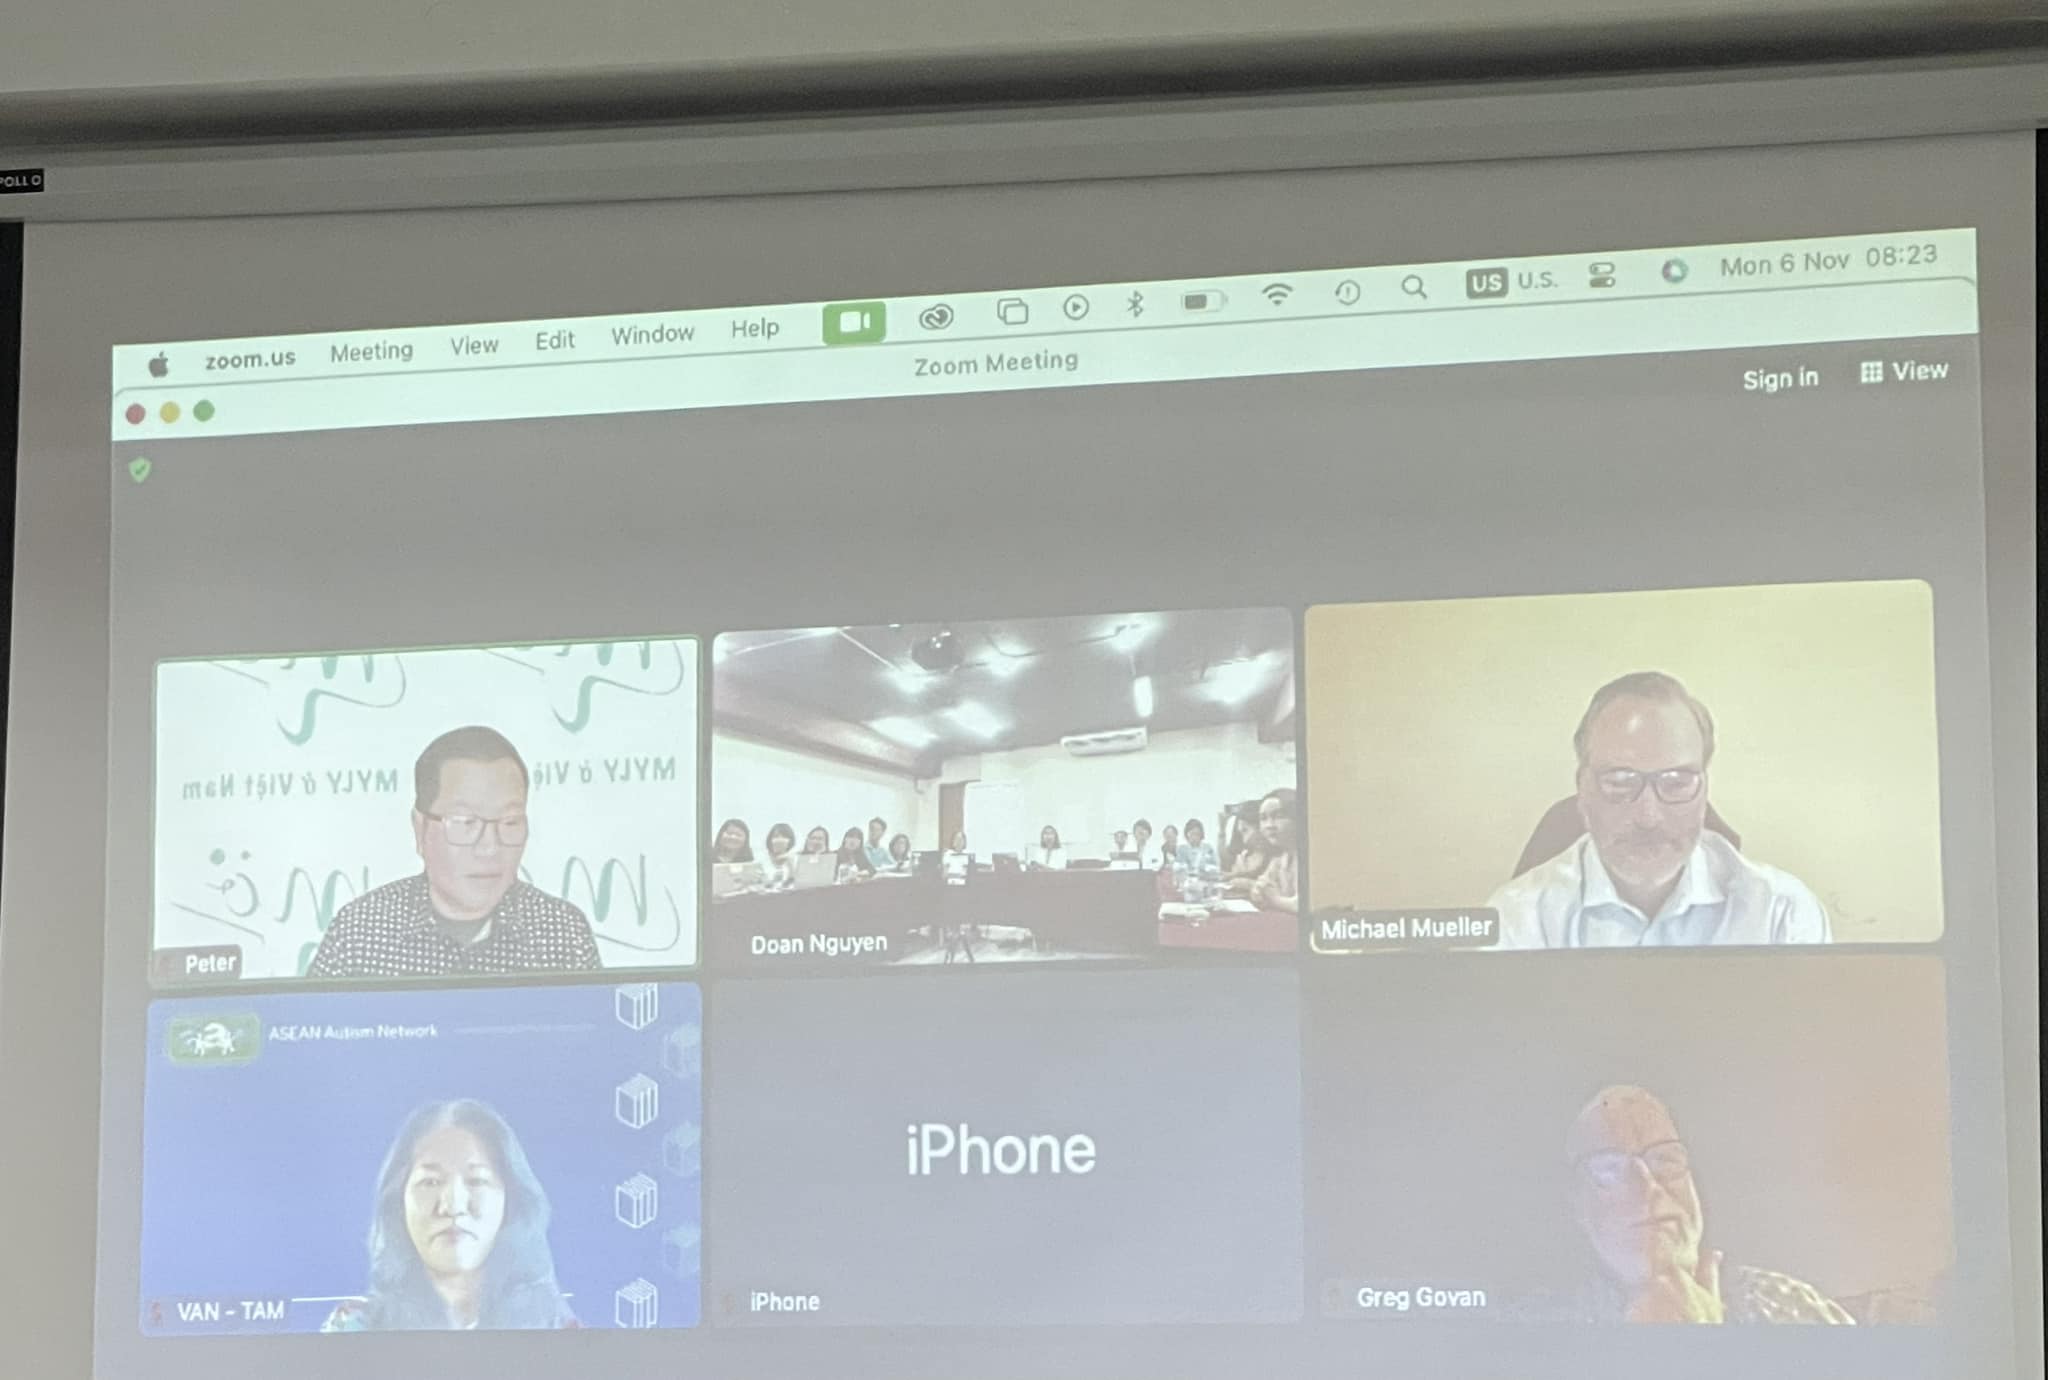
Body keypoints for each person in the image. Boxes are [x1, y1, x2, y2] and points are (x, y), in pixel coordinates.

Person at [1487, 672, 1831, 948]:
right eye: (1620, 781)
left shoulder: (1781, 914)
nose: (1648, 816)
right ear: (1582, 790)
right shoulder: (1518, 917)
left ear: (1704, 789)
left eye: (1676, 782)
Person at [308, 726, 599, 978]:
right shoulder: (360, 933)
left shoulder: (563, 933)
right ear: (420, 829)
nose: (489, 847)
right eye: (465, 823)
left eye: (509, 822)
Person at [1558, 1085, 1852, 1324]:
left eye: (1665, 1159)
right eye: (1609, 1169)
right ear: (1578, 1207)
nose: (1648, 1186)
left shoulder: (1790, 1305)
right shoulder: (1543, 1331)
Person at [322, 1099, 576, 1331]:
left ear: (511, 1202)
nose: (453, 1206)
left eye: (476, 1181)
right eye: (431, 1182)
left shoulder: (553, 1326)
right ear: (398, 1202)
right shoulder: (355, 1326)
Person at [1233, 787, 1298, 913]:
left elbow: (1302, 904)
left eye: (1278, 816)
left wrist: (1275, 899)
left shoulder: (1312, 857)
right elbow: (1263, 888)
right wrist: (1258, 892)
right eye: (1263, 818)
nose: (1269, 825)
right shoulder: (1278, 860)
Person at [760, 822, 798, 890]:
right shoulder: (761, 858)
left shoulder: (794, 859)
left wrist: (790, 865)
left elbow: (796, 883)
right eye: (776, 836)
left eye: (785, 837)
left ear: (790, 841)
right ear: (770, 839)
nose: (780, 839)